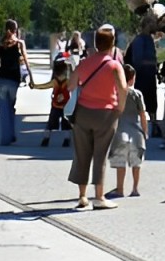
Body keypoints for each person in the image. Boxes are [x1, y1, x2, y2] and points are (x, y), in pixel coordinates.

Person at [67, 24, 127, 210]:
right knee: (100, 155)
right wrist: (120, 108)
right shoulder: (114, 65)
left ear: (95, 43)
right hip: (106, 114)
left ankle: (82, 196)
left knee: (82, 154)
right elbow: (123, 88)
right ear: (113, 44)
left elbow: (71, 85)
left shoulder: (85, 63)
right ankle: (99, 197)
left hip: (83, 112)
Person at [106, 64, 149, 198]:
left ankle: (120, 189)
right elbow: (142, 114)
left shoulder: (114, 93)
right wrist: (145, 131)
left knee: (120, 163)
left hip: (119, 133)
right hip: (136, 134)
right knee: (136, 163)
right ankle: (135, 189)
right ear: (132, 79)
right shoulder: (137, 94)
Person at [0, 19, 34, 145]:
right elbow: (26, 62)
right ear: (15, 30)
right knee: (11, 108)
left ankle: (6, 137)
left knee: (4, 111)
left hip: (2, 79)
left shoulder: (0, 43)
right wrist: (31, 78)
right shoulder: (19, 43)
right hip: (13, 80)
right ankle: (11, 135)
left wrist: (0, 73)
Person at [125, 21, 161, 138]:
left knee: (151, 100)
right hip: (142, 75)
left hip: (149, 75)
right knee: (141, 101)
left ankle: (154, 124)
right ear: (146, 26)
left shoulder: (149, 39)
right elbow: (137, 60)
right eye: (151, 24)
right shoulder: (139, 40)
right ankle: (142, 126)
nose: (154, 26)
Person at [31, 57, 72, 147]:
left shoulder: (55, 81)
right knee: (66, 124)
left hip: (55, 105)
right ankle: (66, 140)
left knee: (50, 124)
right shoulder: (68, 82)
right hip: (66, 106)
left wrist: (35, 86)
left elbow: (44, 86)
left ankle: (46, 139)